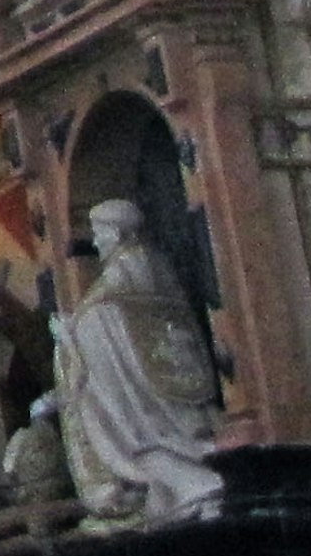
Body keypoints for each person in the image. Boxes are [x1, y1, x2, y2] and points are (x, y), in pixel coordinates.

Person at [53, 197, 227, 527]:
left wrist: (69, 333)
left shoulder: (129, 267)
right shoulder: (151, 265)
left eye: (99, 232)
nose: (95, 240)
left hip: (142, 389)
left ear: (116, 233)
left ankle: (187, 483)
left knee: (132, 428)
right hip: (161, 379)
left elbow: (103, 316)